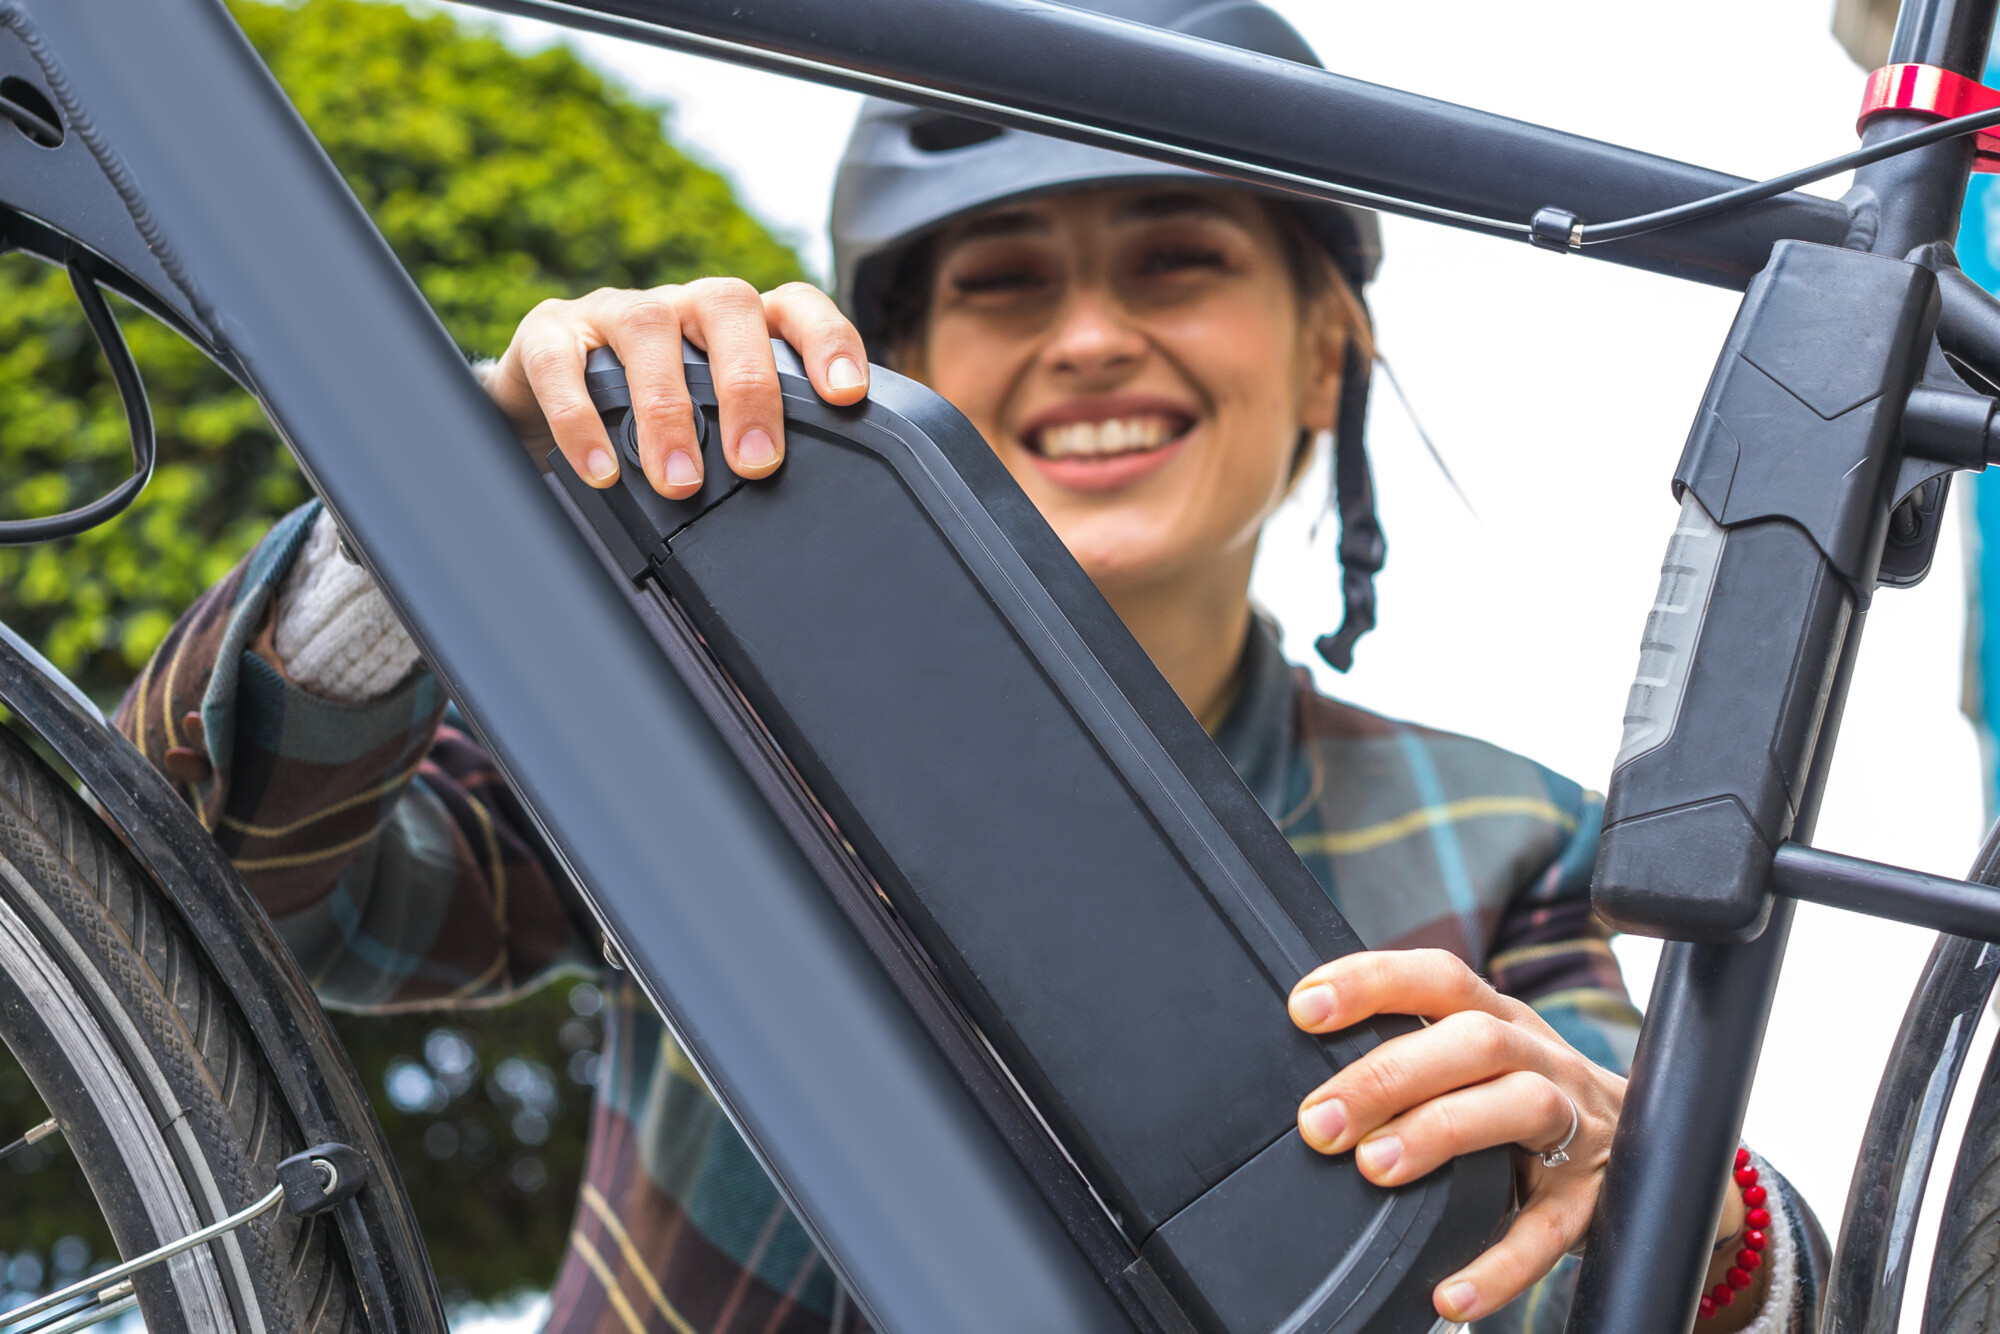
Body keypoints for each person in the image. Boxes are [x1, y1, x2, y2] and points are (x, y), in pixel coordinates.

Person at [115, 2, 1825, 1330]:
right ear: (897, 361)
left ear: (1327, 355)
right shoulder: (707, 706)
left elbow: (1676, 1266)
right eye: (1006, 281)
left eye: (1178, 260)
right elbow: (245, 895)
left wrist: (1673, 1200)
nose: (1091, 336)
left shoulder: (1516, 838)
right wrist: (431, 521)